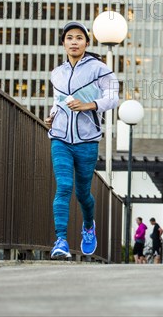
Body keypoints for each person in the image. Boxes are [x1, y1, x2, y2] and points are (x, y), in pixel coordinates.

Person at [44, 21, 119, 259]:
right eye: (69, 38)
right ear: (63, 43)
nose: (74, 42)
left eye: (79, 38)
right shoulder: (57, 73)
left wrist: (90, 105)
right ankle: (61, 241)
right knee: (64, 186)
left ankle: (88, 226)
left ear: (87, 42)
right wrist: (52, 116)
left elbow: (113, 98)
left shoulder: (100, 69)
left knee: (83, 193)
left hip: (87, 140)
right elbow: (59, 100)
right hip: (60, 138)